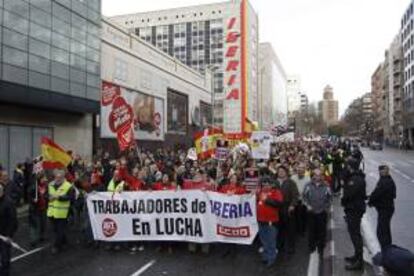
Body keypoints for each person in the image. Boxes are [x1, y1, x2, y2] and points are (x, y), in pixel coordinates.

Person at [341, 158, 367, 270]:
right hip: (354, 208)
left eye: (347, 166)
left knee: (355, 235)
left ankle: (359, 261)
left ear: (350, 167)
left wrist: (343, 200)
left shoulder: (355, 179)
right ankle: (356, 256)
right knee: (354, 234)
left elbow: (348, 194)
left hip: (354, 209)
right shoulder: (355, 177)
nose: (346, 168)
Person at [303, 168, 332, 257]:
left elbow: (330, 199)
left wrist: (326, 208)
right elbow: (304, 197)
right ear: (313, 175)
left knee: (322, 231)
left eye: (319, 175)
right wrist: (307, 205)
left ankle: (320, 247)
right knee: (311, 231)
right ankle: (311, 247)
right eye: (316, 175)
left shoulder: (326, 186)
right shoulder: (308, 185)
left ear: (322, 176)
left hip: (322, 212)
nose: (317, 177)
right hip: (311, 212)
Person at [257, 176, 284, 267]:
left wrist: (267, 199)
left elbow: (279, 204)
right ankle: (265, 257)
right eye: (263, 184)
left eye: (267, 184)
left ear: (271, 185)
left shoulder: (276, 192)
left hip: (271, 223)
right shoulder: (260, 193)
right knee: (264, 241)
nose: (265, 186)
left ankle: (271, 259)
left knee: (271, 242)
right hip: (261, 221)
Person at [47, 169, 75, 254]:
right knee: (55, 230)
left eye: (60, 177)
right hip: (51, 212)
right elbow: (46, 194)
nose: (58, 179)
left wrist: (58, 198)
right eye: (56, 177)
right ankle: (64, 241)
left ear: (63, 177)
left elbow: (71, 198)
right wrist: (47, 197)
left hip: (62, 213)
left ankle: (56, 246)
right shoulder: (50, 184)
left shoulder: (68, 186)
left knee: (59, 230)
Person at [368, 165, 396, 249]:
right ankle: (387, 248)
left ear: (385, 171)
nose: (380, 172)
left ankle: (385, 250)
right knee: (385, 229)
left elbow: (377, 193)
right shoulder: (388, 180)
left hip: (385, 208)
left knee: (381, 231)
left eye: (382, 170)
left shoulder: (385, 181)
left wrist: (370, 202)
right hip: (387, 208)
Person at [277, 165, 299, 255]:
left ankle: (291, 247)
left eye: (282, 171)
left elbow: (295, 195)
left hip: (288, 208)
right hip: (277, 208)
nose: (280, 173)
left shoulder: (291, 182)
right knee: (279, 229)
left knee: (290, 229)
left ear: (286, 172)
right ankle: (280, 245)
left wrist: (292, 205)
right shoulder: (275, 182)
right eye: (279, 171)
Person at [0, 183, 18, 276]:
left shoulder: (8, 203)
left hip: (5, 235)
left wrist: (9, 235)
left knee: (5, 257)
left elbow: (13, 220)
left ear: (2, 192)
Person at [28, 174, 48, 247]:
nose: (45, 179)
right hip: (35, 209)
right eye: (43, 178)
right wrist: (33, 200)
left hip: (43, 208)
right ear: (40, 179)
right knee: (34, 224)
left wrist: (46, 197)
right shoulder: (34, 186)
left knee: (43, 223)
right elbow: (29, 197)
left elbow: (47, 195)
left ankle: (42, 236)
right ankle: (33, 240)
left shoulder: (46, 186)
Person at [291, 163, 311, 235]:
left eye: (302, 168)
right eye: (299, 168)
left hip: (303, 201)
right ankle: (297, 230)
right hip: (295, 200)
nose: (300, 169)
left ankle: (302, 230)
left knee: (303, 216)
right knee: (295, 216)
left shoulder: (308, 178)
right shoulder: (293, 177)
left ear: (304, 170)